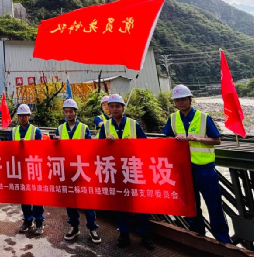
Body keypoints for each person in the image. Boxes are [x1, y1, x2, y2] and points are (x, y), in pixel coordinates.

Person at [164, 85, 232, 244]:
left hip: (205, 169)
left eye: (183, 99)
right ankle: (197, 237)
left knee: (214, 206)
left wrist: (198, 139)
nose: (180, 102)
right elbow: (166, 137)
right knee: (191, 205)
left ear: (190, 99)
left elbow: (217, 140)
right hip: (185, 169)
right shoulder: (172, 119)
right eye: (177, 100)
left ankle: (223, 241)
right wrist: (175, 139)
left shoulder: (203, 117)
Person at [98, 94, 155, 251]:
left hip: (134, 170)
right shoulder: (105, 127)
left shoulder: (133, 124)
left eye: (117, 106)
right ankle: (123, 234)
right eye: (112, 106)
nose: (115, 109)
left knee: (140, 204)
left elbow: (145, 146)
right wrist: (106, 143)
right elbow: (98, 149)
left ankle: (145, 234)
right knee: (120, 204)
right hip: (116, 171)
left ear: (122, 107)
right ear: (108, 109)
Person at [55, 99, 102, 245]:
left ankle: (92, 228)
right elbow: (56, 152)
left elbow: (89, 149)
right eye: (66, 111)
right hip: (67, 171)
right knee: (71, 201)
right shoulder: (60, 129)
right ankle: (74, 227)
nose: (68, 114)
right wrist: (56, 144)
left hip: (82, 171)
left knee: (87, 201)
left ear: (75, 112)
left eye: (71, 111)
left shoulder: (84, 128)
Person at [10, 104, 45, 236]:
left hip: (34, 168)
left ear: (29, 116)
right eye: (20, 116)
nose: (22, 118)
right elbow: (9, 149)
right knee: (24, 197)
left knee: (36, 197)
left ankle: (39, 222)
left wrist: (28, 145)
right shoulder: (14, 132)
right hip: (21, 169)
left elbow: (41, 149)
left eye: (25, 115)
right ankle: (27, 220)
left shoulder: (36, 131)